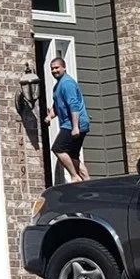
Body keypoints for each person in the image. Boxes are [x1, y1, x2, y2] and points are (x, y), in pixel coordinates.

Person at [46, 55, 90, 183]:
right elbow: (57, 106)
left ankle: (74, 176)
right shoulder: (57, 86)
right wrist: (49, 117)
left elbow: (73, 105)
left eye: (57, 68)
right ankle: (87, 180)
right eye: (52, 69)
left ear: (64, 67)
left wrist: (75, 127)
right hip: (72, 124)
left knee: (58, 149)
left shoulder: (67, 83)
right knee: (73, 156)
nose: (54, 71)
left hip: (74, 124)